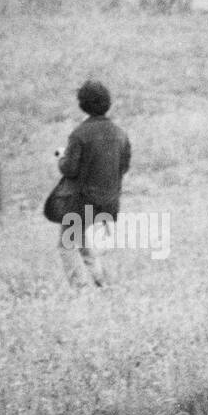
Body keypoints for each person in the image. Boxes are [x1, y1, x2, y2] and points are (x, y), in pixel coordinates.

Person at [56, 80, 131, 288]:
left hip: (81, 202)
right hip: (109, 202)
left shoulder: (79, 134)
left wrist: (61, 159)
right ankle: (105, 284)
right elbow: (123, 167)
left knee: (66, 245)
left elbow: (70, 169)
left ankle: (80, 289)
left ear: (82, 105)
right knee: (81, 241)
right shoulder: (120, 134)